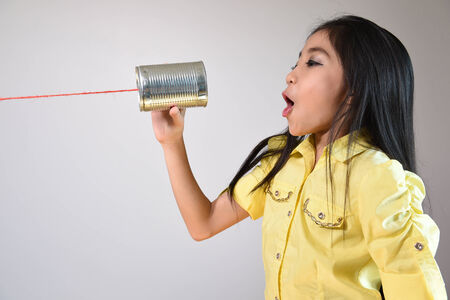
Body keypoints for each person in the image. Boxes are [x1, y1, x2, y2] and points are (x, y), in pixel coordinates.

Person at [151, 14, 447, 300]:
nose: (291, 75)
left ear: (355, 89)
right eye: (296, 63)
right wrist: (171, 141)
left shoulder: (376, 175)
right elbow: (204, 223)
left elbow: (412, 281)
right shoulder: (282, 160)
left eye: (312, 62)